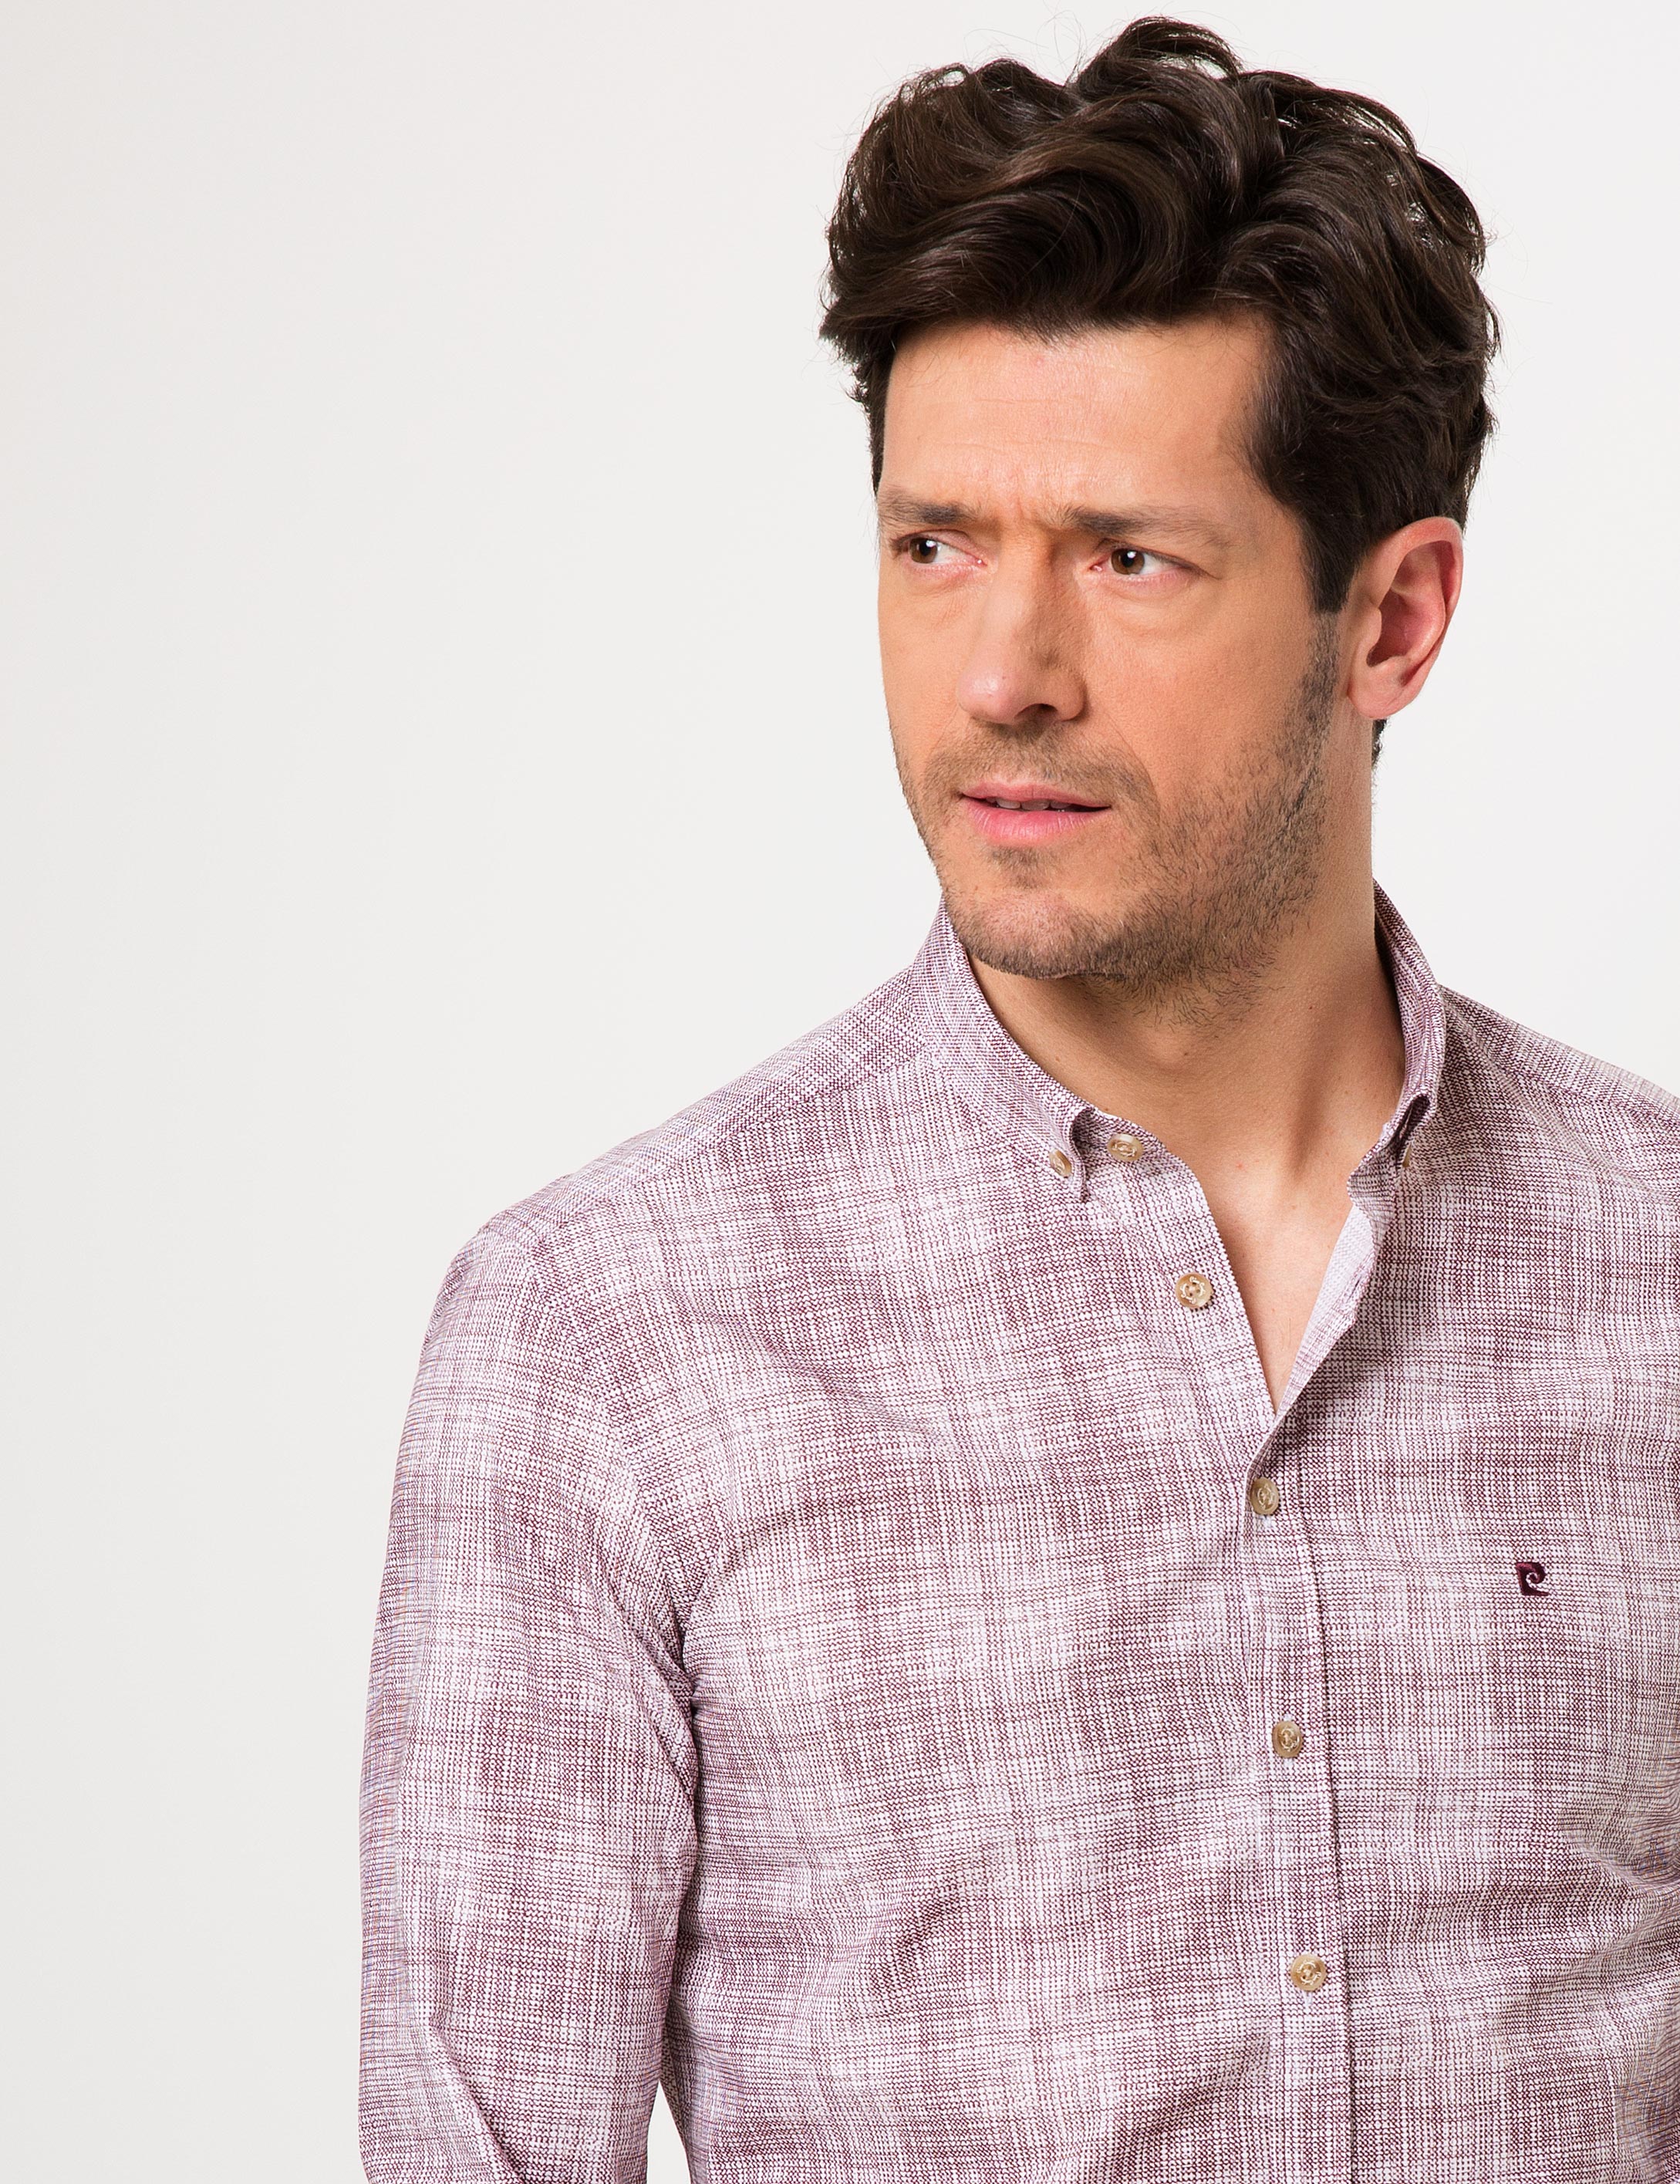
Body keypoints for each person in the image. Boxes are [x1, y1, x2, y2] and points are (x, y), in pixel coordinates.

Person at [358, 19, 1680, 2180]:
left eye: (1129, 557)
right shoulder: (605, 1339)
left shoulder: (1657, 1267)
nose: (1002, 676)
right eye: (935, 546)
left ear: (1393, 618)